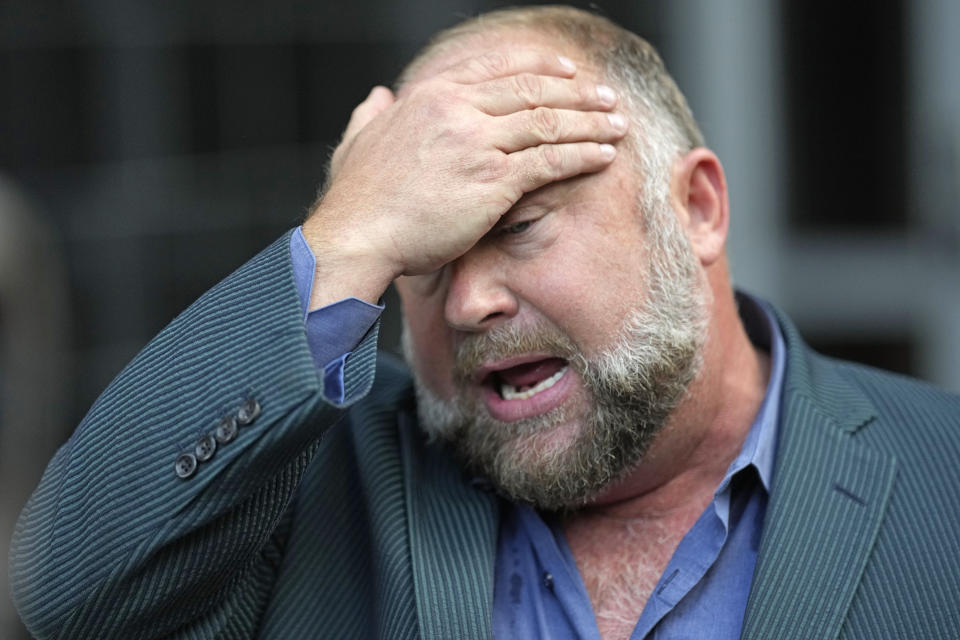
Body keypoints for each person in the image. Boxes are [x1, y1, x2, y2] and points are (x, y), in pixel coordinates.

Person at [10, 6, 960, 640]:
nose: (468, 303)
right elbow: (69, 592)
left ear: (699, 209)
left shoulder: (943, 479)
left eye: (517, 230)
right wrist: (345, 236)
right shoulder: (302, 488)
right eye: (420, 262)